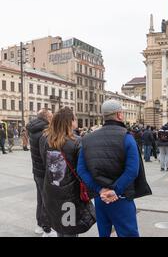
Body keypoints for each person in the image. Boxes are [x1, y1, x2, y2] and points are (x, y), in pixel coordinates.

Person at [77, 100, 151, 237]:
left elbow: (81, 169)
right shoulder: (127, 137)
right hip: (121, 197)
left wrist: (101, 190)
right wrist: (114, 190)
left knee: (103, 233)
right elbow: (132, 170)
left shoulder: (87, 139)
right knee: (128, 234)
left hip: (101, 198)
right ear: (119, 115)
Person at [39, 107, 96, 237]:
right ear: (70, 121)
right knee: (70, 230)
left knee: (60, 226)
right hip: (70, 195)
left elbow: (45, 164)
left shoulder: (44, 139)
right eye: (75, 118)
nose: (76, 120)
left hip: (52, 190)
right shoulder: (76, 141)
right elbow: (82, 169)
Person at [26, 109, 55, 236]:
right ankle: (47, 229)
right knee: (46, 200)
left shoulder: (33, 129)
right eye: (51, 116)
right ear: (47, 118)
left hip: (36, 171)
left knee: (40, 199)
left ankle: (39, 225)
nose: (53, 118)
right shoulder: (45, 132)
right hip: (43, 172)